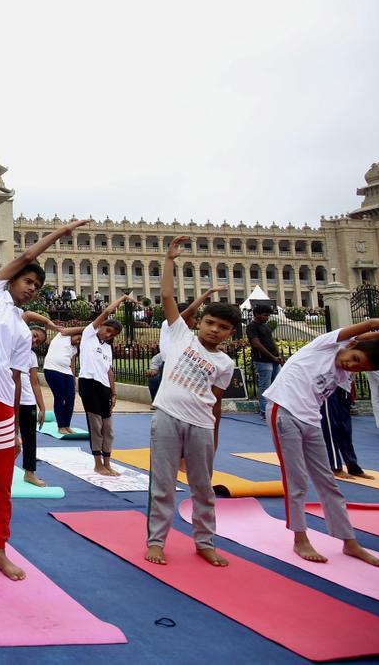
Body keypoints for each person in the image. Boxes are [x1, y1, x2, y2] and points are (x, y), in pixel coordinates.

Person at [0, 218, 88, 580]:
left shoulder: (23, 331)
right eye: (28, 281)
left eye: (37, 287)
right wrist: (60, 233)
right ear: (11, 278)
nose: (31, 289)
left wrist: (16, 423)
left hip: (1, 405)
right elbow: (26, 253)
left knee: (1, 480)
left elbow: (15, 375)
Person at [262, 316, 379, 566]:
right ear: (350, 346)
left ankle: (349, 541)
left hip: (311, 420)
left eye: (360, 369)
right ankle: (300, 538)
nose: (352, 366)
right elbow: (371, 325)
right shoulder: (325, 345)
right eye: (354, 360)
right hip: (284, 411)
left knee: (328, 482)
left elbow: (373, 339)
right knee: (296, 479)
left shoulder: (344, 371)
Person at [145, 236, 237, 568]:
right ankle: (156, 541)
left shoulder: (226, 364)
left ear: (229, 334)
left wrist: (213, 436)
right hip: (167, 417)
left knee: (203, 486)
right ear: (199, 322)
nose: (214, 330)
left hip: (200, 425)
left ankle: (205, 542)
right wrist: (169, 259)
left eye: (222, 327)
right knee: (163, 483)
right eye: (210, 323)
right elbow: (167, 295)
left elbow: (216, 403)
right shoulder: (181, 335)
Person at [79, 293, 134, 476]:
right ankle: (97, 463)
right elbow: (108, 310)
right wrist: (123, 298)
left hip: (104, 387)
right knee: (96, 425)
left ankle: (107, 462)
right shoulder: (89, 335)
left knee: (108, 427)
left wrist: (114, 392)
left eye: (113, 334)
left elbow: (109, 371)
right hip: (88, 383)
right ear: (101, 326)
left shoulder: (107, 348)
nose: (109, 335)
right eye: (108, 330)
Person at [11, 324, 50, 487]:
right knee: (7, 438)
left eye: (37, 341)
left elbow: (34, 382)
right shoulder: (10, 348)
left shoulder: (31, 356)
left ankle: (29, 473)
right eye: (33, 335)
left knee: (29, 440)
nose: (34, 341)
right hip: (10, 400)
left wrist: (42, 407)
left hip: (27, 402)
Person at [320, 379, 371, 479]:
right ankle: (335, 467)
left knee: (345, 428)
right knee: (331, 427)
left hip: (345, 386)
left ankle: (352, 466)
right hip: (328, 385)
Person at [42, 328, 83, 433]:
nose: (78, 342)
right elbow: (65, 330)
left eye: (80, 342)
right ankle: (61, 426)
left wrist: (73, 378)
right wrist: (89, 329)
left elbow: (72, 364)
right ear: (74, 334)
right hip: (52, 369)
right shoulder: (62, 336)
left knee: (70, 398)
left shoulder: (74, 349)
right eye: (78, 338)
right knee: (60, 397)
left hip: (67, 372)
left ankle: (67, 425)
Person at [248, 304, 284, 420]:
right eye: (264, 315)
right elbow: (256, 344)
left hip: (273, 359)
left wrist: (277, 355)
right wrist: (271, 357)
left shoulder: (266, 326)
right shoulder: (252, 327)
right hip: (263, 360)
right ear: (256, 314)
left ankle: (275, 409)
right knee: (265, 386)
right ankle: (264, 411)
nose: (267, 317)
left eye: (268, 315)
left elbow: (271, 341)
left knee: (277, 384)